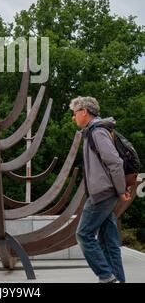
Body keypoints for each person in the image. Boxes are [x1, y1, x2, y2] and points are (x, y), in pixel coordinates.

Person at [70, 96, 130, 283]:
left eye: (75, 113)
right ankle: (118, 279)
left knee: (83, 234)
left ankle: (106, 276)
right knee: (108, 241)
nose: (74, 118)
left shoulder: (97, 132)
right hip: (107, 191)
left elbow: (115, 162)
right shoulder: (95, 131)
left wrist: (121, 189)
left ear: (84, 112)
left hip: (103, 193)